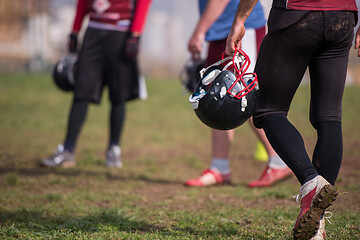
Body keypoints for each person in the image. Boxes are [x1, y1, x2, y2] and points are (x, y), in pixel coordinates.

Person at [225, 0, 358, 239]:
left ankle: (310, 182)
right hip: (343, 15)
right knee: (329, 117)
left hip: (297, 13)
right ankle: (316, 225)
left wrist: (239, 20)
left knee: (267, 110)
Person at [184, 0, 292, 188]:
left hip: (241, 29)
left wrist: (199, 31)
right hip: (220, 31)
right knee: (216, 98)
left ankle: (279, 161)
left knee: (243, 97)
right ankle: (219, 167)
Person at [41, 0, 152, 168]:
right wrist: (75, 31)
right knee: (81, 90)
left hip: (121, 32)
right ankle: (68, 150)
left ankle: (113, 150)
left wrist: (135, 33)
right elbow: (83, 2)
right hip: (94, 31)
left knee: (118, 94)